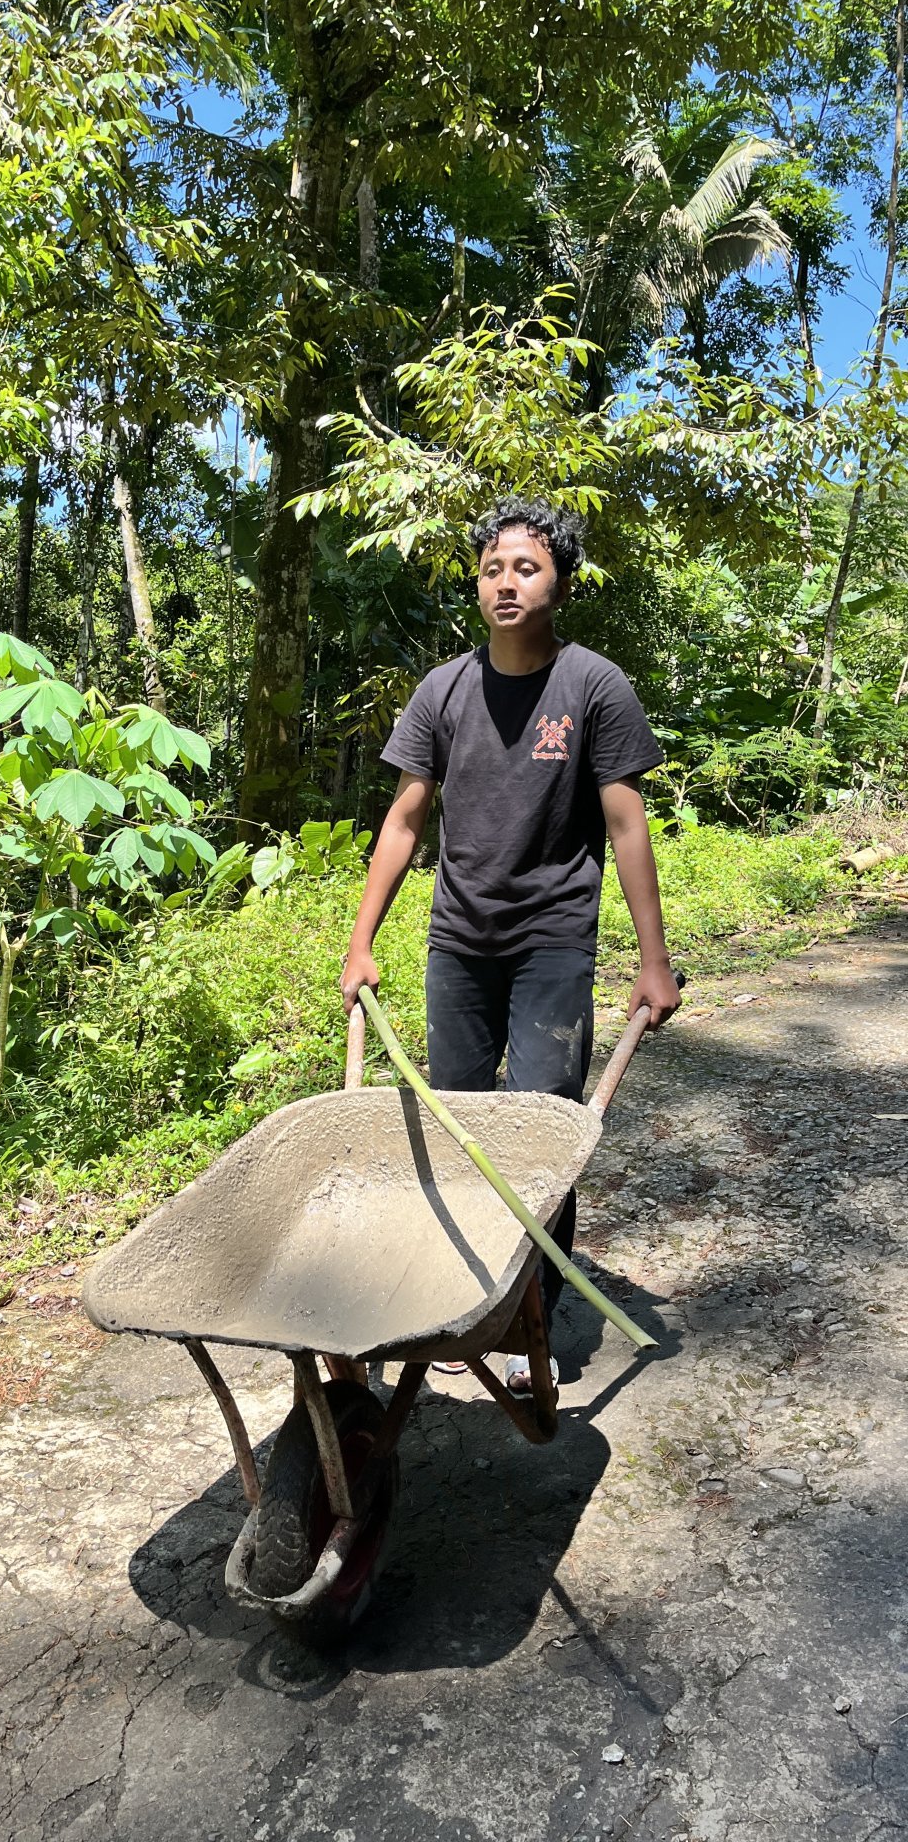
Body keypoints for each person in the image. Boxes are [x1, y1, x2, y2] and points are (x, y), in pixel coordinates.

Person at [339, 495, 681, 1392]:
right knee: (456, 1129)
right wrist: (361, 940)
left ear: (559, 581)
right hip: (459, 943)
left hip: (553, 943)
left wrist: (653, 960)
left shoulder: (592, 686)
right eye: (493, 568)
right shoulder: (445, 689)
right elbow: (406, 819)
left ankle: (528, 1318)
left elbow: (625, 822)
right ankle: (464, 1301)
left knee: (539, 1131)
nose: (506, 583)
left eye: (526, 568)